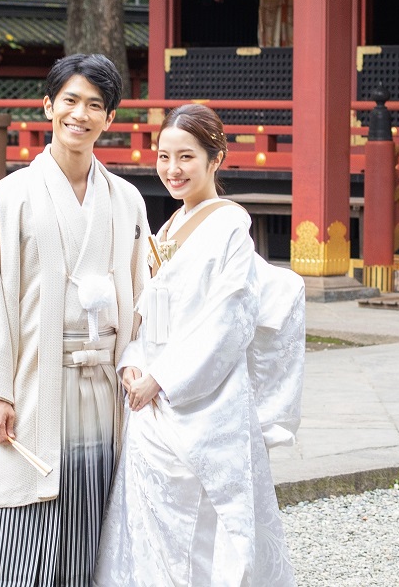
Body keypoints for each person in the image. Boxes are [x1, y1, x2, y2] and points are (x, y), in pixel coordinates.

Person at [0, 54, 148, 585]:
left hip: (103, 384)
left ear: (110, 118)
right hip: (34, 383)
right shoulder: (10, 198)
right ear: (49, 106)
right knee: (24, 522)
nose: (81, 114)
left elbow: (146, 299)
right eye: (71, 101)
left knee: (94, 511)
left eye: (95, 105)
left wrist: (143, 366)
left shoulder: (125, 201)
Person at [95, 103, 304, 587]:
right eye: (163, 156)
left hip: (203, 400)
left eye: (186, 157)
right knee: (150, 534)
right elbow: (149, 315)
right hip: (151, 401)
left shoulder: (230, 225)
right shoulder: (168, 227)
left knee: (210, 533)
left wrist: (163, 379)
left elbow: (228, 321)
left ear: (217, 158)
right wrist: (132, 362)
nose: (172, 169)